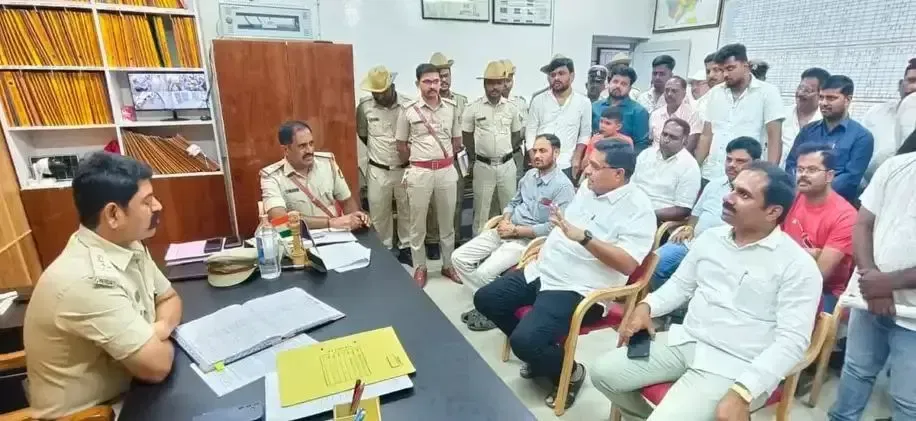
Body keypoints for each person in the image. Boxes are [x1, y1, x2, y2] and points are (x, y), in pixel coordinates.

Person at [593, 161, 821, 421]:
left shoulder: (796, 265)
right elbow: (679, 286)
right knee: (603, 373)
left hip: (736, 364)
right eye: (733, 189)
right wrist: (647, 306)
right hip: (687, 341)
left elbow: (792, 342)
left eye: (743, 195)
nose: (728, 198)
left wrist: (744, 391)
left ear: (772, 212)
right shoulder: (712, 238)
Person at [474, 140, 655, 409]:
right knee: (486, 299)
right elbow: (565, 227)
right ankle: (543, 356)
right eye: (588, 163)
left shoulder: (638, 209)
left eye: (595, 166)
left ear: (618, 174)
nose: (586, 170)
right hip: (544, 270)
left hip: (580, 288)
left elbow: (628, 264)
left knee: (525, 341)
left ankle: (570, 374)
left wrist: (585, 238)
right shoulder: (588, 188)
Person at [23, 152, 183, 419]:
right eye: (147, 201)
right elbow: (157, 366)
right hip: (95, 413)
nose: (158, 206)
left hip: (133, 392)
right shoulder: (87, 279)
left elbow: (169, 298)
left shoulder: (126, 243)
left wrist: (158, 329)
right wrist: (153, 342)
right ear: (113, 214)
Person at [452, 134, 575, 331]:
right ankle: (487, 305)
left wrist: (516, 231)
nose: (537, 155)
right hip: (506, 229)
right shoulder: (529, 176)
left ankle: (490, 309)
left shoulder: (563, 187)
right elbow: (513, 202)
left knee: (483, 273)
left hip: (527, 240)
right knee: (458, 258)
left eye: (543, 151)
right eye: (535, 151)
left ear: (556, 153)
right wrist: (506, 219)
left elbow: (554, 228)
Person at [828, 150, 916, 421]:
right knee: (856, 372)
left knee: (908, 402)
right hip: (868, 299)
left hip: (913, 317)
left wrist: (887, 283)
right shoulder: (897, 166)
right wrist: (871, 277)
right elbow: (863, 224)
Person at [651, 136, 762, 290]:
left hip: (724, 254)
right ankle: (673, 302)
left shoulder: (759, 195)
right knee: (653, 263)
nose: (732, 165)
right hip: (692, 244)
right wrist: (689, 228)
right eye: (729, 159)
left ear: (756, 163)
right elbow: (695, 215)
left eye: (740, 161)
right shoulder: (714, 185)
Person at [395, 63, 463, 286]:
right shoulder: (408, 110)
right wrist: (419, 160)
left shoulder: (451, 108)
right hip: (420, 172)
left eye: (436, 81)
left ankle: (448, 265)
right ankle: (420, 267)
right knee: (417, 224)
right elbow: (401, 145)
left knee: (447, 223)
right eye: (427, 82)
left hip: (445, 171)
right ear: (418, 83)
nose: (433, 86)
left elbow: (457, 141)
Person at [782, 143, 856, 313]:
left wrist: (789, 254)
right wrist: (813, 253)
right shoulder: (792, 198)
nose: (803, 175)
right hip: (783, 277)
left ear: (829, 176)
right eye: (800, 169)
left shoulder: (845, 215)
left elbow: (820, 274)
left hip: (825, 292)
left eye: (812, 170)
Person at [696, 43, 785, 181]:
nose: (725, 74)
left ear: (746, 65)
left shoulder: (768, 92)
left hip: (747, 176)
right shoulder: (715, 93)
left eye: (730, 68)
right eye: (722, 70)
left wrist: (770, 177)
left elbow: (775, 139)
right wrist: (696, 167)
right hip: (711, 173)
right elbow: (706, 135)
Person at [261, 120, 369, 230]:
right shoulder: (272, 177)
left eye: (311, 143)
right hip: (301, 236)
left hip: (335, 233)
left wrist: (356, 220)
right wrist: (329, 223)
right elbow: (280, 220)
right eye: (302, 146)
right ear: (286, 149)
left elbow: (347, 201)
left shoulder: (327, 163)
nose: (309, 150)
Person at [785, 75, 875, 204]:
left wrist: (814, 191)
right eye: (821, 97)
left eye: (831, 98)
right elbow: (791, 164)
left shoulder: (861, 137)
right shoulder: (808, 131)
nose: (824, 103)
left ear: (847, 100)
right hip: (799, 200)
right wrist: (799, 189)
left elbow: (850, 178)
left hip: (835, 205)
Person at [356, 65, 412, 263]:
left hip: (404, 168)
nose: (379, 96)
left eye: (383, 91)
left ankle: (406, 247)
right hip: (378, 169)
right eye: (375, 92)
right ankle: (385, 249)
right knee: (379, 213)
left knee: (407, 210)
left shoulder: (408, 105)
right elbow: (363, 134)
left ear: (392, 87)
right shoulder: (364, 107)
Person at [462, 61, 522, 234]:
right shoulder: (473, 108)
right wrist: (479, 156)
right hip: (483, 167)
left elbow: (516, 136)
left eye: (499, 83)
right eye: (490, 83)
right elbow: (467, 137)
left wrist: (503, 152)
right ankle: (477, 249)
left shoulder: (512, 108)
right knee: (481, 213)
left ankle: (505, 247)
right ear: (484, 84)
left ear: (504, 84)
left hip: (507, 166)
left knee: (508, 211)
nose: (495, 87)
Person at [427, 52, 470, 259]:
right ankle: (433, 240)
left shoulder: (462, 101)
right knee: (434, 203)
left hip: (456, 160)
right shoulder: (426, 103)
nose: (443, 80)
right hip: (434, 160)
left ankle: (454, 240)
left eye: (446, 75)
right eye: (439, 77)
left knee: (457, 201)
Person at [526, 56, 592, 181]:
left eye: (561, 73)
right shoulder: (538, 100)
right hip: (541, 162)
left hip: (567, 163)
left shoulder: (583, 102)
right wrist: (532, 155)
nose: (556, 78)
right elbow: (530, 131)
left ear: (572, 76)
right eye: (553, 74)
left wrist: (577, 157)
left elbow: (585, 133)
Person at [632, 117, 701, 223]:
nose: (666, 140)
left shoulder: (690, 166)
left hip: (656, 219)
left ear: (684, 141)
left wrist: (646, 214)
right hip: (631, 208)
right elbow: (631, 186)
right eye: (664, 134)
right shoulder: (646, 154)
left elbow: (683, 209)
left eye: (673, 137)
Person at [862, 58, 916, 182]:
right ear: (901, 84)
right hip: (864, 186)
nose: (914, 87)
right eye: (911, 80)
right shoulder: (876, 112)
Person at [588, 66, 650, 155]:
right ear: (609, 83)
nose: (618, 86)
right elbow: (587, 135)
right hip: (594, 157)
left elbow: (641, 145)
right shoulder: (595, 107)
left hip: (623, 159)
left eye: (623, 84)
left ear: (630, 88)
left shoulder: (639, 112)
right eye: (615, 81)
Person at [781, 67, 829, 166]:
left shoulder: (826, 122)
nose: (800, 93)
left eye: (807, 90)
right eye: (800, 88)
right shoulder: (781, 115)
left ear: (821, 94)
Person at [648, 76, 702, 151]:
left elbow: (690, 144)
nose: (669, 94)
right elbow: (650, 140)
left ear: (684, 94)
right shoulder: (655, 114)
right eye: (667, 90)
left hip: (679, 157)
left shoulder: (692, 115)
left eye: (674, 91)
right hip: (655, 155)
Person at [501, 59, 530, 178]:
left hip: (515, 155)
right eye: (502, 81)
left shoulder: (520, 103)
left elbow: (526, 131)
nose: (505, 85)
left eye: (508, 80)